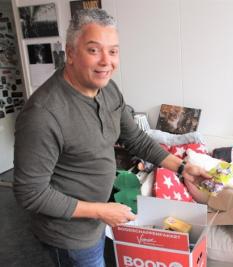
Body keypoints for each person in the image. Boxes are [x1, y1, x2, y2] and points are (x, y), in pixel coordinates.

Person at [13, 9, 210, 267]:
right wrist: (100, 210)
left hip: (98, 220)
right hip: (70, 235)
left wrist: (182, 168)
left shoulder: (108, 89)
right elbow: (30, 192)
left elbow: (136, 139)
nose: (106, 61)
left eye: (113, 51)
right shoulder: (44, 114)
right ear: (70, 53)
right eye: (94, 50)